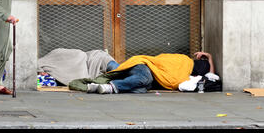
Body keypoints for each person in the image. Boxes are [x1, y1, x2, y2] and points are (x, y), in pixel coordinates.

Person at [69, 51, 216, 94]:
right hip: (146, 66)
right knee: (144, 79)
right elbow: (212, 75)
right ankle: (111, 86)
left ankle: (111, 66)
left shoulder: (194, 73)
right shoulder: (186, 62)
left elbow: (212, 76)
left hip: (151, 77)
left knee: (141, 89)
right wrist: (208, 57)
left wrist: (209, 56)